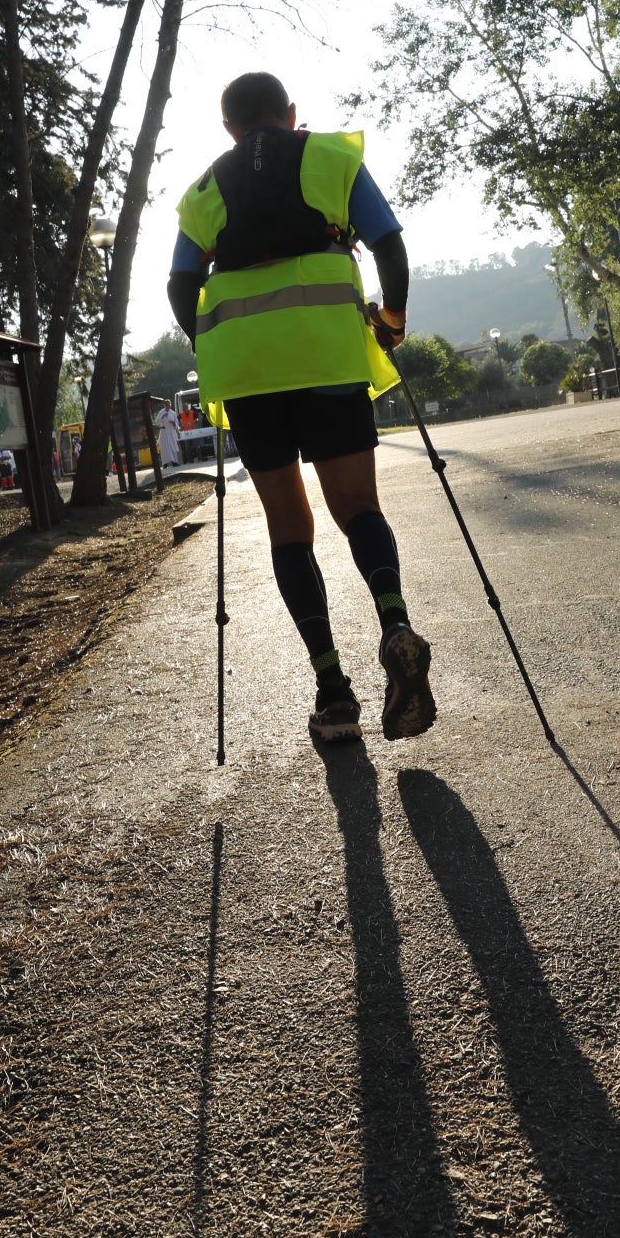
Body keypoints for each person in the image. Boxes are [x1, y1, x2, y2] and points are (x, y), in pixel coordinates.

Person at [168, 69, 433, 745]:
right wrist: (392, 322)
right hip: (328, 356)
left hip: (251, 374)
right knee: (358, 511)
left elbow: (179, 284)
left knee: (290, 527)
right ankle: (395, 622)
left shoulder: (203, 191)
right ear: (290, 113)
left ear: (228, 128)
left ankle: (332, 693)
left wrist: (214, 343)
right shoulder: (333, 159)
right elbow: (389, 244)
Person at [154, 397, 181, 468]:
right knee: (165, 447)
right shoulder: (161, 412)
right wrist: (162, 416)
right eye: (166, 405)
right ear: (164, 405)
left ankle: (174, 462)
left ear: (170, 405)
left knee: (173, 446)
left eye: (169, 405)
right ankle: (165, 463)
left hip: (171, 431)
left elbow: (177, 422)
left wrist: (174, 423)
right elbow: (156, 421)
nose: (168, 406)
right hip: (164, 431)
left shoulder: (173, 413)